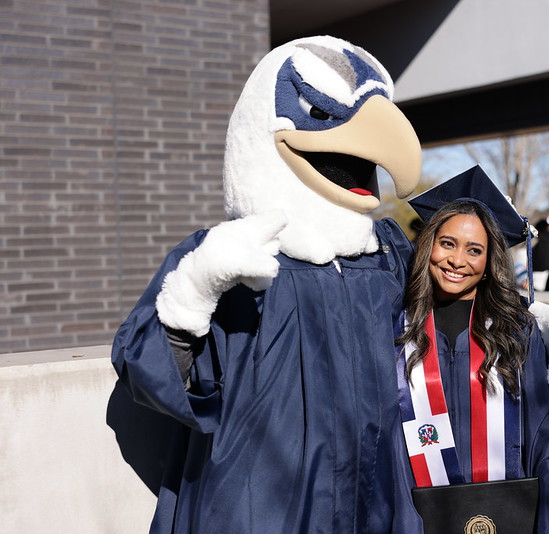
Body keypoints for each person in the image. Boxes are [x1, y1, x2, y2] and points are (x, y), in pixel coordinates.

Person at [109, 36, 423, 533]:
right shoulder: (225, 252)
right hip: (260, 501)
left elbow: (444, 328)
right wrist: (193, 291)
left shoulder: (387, 254)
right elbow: (147, 369)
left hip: (375, 496)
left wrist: (522, 329)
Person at [396, 172, 549, 533]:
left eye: (474, 250)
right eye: (447, 243)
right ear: (428, 246)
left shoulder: (515, 330)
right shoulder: (399, 327)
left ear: (489, 262)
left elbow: (541, 435)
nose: (457, 260)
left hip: (507, 511)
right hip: (417, 511)